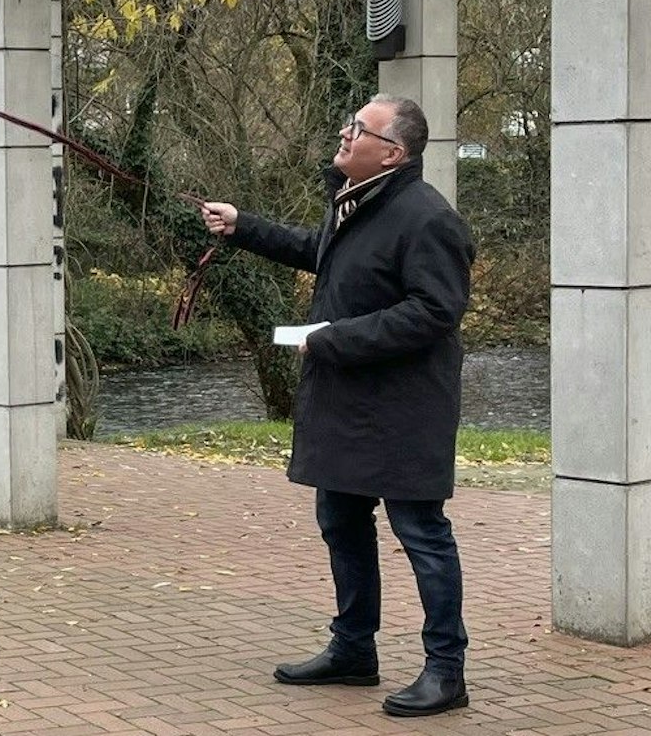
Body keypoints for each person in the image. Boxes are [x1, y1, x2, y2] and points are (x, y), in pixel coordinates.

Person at [200, 94, 475, 719]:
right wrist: (244, 226)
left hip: (405, 409)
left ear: (393, 152)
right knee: (341, 524)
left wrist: (334, 339)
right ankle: (353, 650)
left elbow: (436, 311)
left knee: (422, 535)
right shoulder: (358, 203)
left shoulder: (428, 218)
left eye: (359, 128)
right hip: (347, 402)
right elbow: (317, 251)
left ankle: (446, 671)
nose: (345, 134)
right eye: (349, 123)